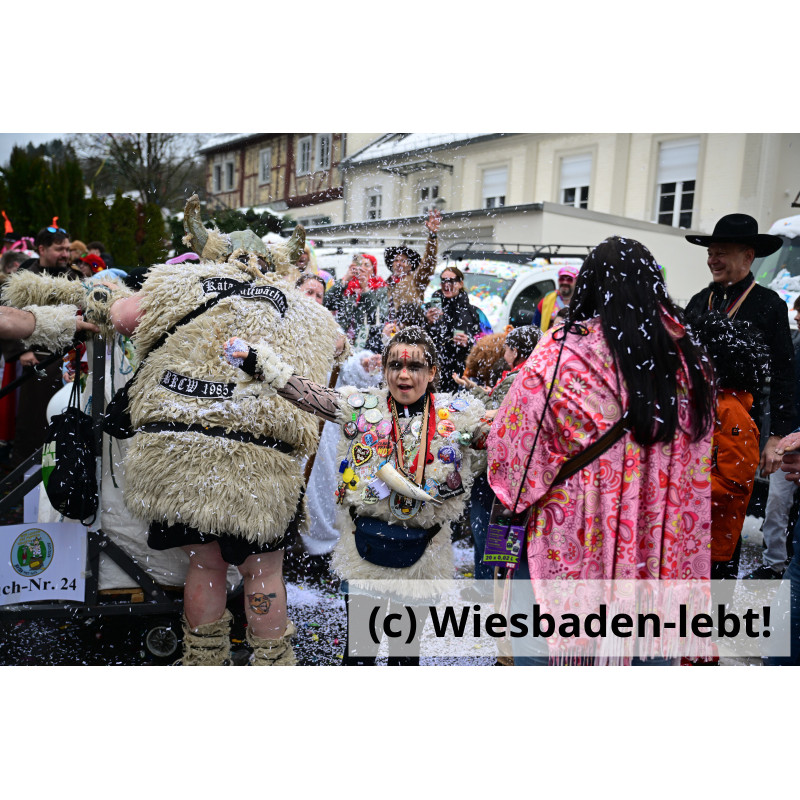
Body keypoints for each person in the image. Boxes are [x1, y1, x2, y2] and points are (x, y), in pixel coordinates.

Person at [108, 195, 348, 666]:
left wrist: (105, 292)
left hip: (184, 454)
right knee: (262, 572)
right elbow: (338, 344)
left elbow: (122, 317)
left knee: (205, 564)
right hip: (260, 464)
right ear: (273, 265)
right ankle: (272, 662)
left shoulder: (182, 283)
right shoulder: (302, 307)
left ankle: (204, 661)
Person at [487, 236, 716, 665]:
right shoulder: (688, 362)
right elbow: (695, 464)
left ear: (589, 285)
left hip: (569, 541)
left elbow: (512, 451)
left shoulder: (561, 353)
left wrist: (513, 494)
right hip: (654, 550)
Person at [224, 326, 489, 665]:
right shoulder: (363, 408)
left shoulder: (458, 416)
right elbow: (311, 395)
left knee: (405, 656)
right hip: (366, 554)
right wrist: (259, 363)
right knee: (360, 654)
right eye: (395, 365)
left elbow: (499, 431)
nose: (403, 375)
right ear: (384, 370)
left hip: (423, 558)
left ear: (432, 372)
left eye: (415, 366)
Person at [684, 213, 792, 486]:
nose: (712, 260)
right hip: (693, 425)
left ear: (748, 256)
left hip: (740, 430)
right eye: (710, 253)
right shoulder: (699, 302)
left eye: (721, 253)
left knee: (727, 502)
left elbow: (784, 374)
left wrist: (777, 436)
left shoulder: (769, 305)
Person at [688, 311, 769, 581]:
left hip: (714, 541)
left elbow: (734, 483)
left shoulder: (730, 412)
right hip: (698, 532)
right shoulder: (713, 403)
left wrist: (683, 484)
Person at [0, 225, 78, 470]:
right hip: (36, 362)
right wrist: (22, 351)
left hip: (70, 363)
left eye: (67, 249)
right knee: (33, 422)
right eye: (59, 249)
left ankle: (62, 474)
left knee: (65, 421)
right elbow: (7, 315)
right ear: (41, 249)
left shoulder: (74, 278)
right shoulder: (23, 279)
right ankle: (27, 475)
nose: (65, 254)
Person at [372, 208, 441, 321]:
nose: (398, 264)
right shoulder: (386, 284)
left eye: (403, 261)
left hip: (411, 327)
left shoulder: (416, 280)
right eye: (396, 260)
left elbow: (429, 262)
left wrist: (432, 236)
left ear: (410, 266)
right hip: (391, 328)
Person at [424, 265, 482, 393]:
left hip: (462, 372)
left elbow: (486, 343)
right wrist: (427, 322)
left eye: (451, 281)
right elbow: (417, 337)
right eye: (443, 280)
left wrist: (469, 342)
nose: (447, 284)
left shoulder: (473, 312)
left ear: (460, 284)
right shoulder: (429, 309)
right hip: (434, 371)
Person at [324, 254, 384, 346]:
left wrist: (365, 289)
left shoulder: (380, 289)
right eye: (359, 265)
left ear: (373, 270)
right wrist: (345, 279)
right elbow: (325, 303)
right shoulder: (346, 288)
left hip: (367, 344)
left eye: (366, 265)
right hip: (341, 342)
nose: (362, 268)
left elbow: (378, 317)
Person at [532, 264, 580, 332]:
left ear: (576, 281)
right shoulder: (546, 301)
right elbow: (535, 327)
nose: (565, 282)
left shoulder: (581, 302)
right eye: (562, 279)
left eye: (569, 279)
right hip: (549, 338)